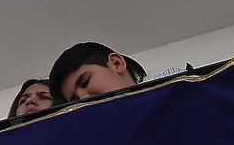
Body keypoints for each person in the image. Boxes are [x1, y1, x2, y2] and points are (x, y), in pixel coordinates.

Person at [49, 42, 180, 103]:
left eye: (86, 82)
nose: (83, 98)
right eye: (75, 99)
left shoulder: (177, 85)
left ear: (116, 64)